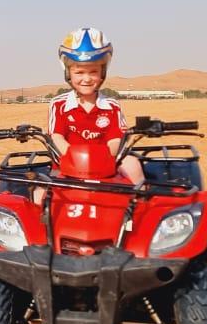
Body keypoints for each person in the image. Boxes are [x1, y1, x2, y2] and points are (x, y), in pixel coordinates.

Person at [36, 28, 145, 203]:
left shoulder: (111, 106)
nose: (86, 79)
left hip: (107, 167)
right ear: (68, 72)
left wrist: (100, 158)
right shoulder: (59, 104)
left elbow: (116, 139)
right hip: (68, 166)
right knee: (38, 194)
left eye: (93, 71)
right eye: (79, 72)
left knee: (132, 164)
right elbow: (56, 136)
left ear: (102, 72)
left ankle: (140, 209)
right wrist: (75, 158)